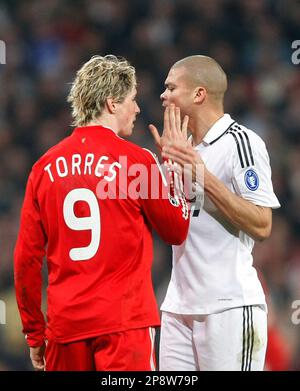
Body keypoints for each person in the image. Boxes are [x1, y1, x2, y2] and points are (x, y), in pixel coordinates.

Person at [14, 55, 189, 371]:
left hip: (65, 330)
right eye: (132, 100)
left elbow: (25, 259)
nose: (137, 109)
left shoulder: (42, 169)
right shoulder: (139, 162)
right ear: (112, 103)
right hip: (123, 324)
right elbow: (176, 230)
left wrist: (34, 333)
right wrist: (176, 168)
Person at [150, 55, 280, 371]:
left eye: (171, 88)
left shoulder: (242, 142)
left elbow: (262, 224)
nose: (163, 95)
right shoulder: (183, 148)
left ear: (199, 94)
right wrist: (164, 170)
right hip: (178, 308)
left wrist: (204, 177)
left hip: (230, 307)